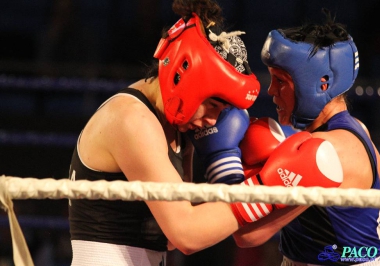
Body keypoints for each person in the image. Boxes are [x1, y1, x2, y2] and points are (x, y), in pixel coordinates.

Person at [67, 0, 262, 265]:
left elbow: (174, 237)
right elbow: (186, 235)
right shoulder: (131, 120)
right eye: (213, 105)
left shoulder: (178, 128)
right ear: (186, 79)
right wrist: (266, 185)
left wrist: (227, 173)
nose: (212, 120)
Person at [232, 9, 380, 266]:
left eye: (280, 81)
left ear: (322, 84)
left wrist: (224, 160)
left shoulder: (324, 150)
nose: (271, 90)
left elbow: (248, 234)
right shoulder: (356, 128)